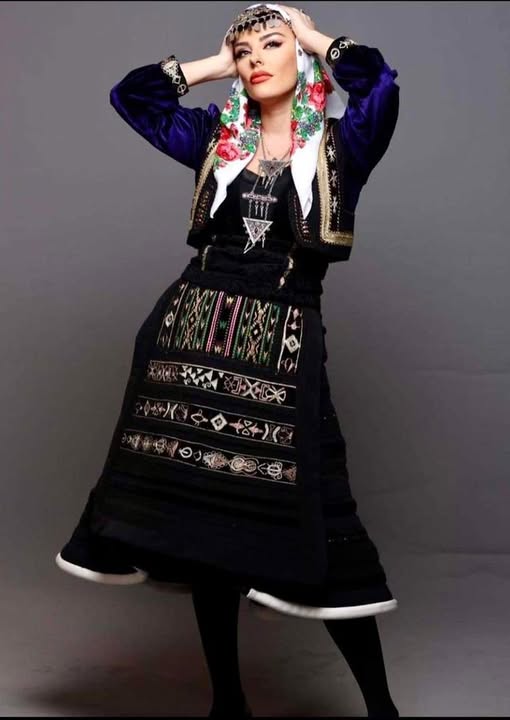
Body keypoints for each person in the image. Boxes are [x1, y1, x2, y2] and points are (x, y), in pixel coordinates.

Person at [55, 3, 401, 717]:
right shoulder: (218, 136)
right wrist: (214, 65)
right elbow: (132, 98)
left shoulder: (342, 143)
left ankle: (382, 710)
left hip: (282, 342)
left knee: (319, 522)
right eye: (246, 51)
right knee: (203, 527)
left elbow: (380, 86)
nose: (256, 59)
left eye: (271, 45)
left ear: (300, 56)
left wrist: (311, 35)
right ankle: (227, 704)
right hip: (189, 334)